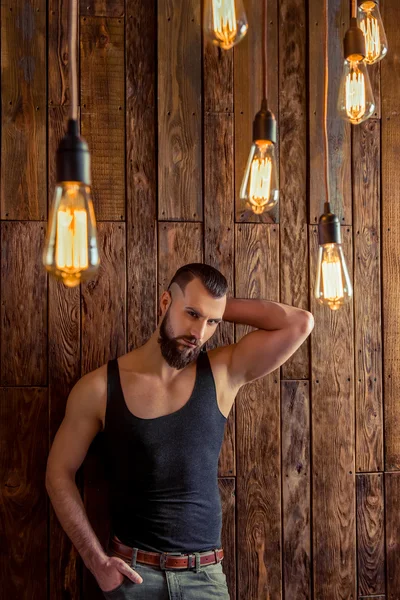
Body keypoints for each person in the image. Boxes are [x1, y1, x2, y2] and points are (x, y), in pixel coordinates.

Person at [45, 263, 314, 599]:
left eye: (211, 322)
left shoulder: (223, 372)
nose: (199, 333)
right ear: (164, 303)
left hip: (205, 580)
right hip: (132, 578)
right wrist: (96, 561)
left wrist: (216, 306)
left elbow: (300, 322)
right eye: (191, 313)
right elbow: (58, 472)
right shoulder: (99, 388)